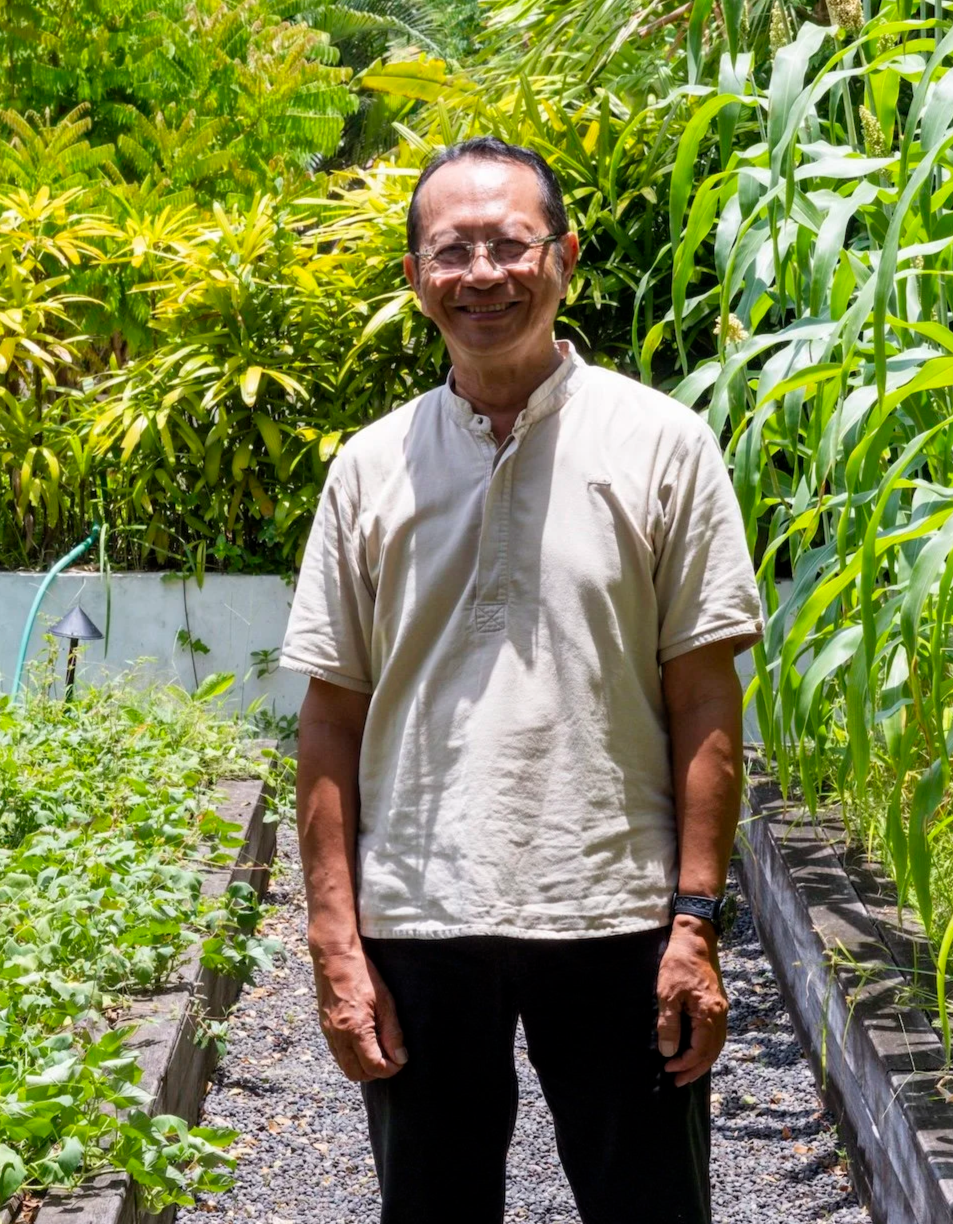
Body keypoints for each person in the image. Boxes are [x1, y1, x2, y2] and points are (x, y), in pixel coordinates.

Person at [280, 136, 764, 1224]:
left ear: (565, 258)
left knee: (650, 1207)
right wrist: (332, 943)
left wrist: (694, 921)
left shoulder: (663, 445)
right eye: (452, 251)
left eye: (510, 244)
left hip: (616, 909)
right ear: (415, 277)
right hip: (419, 916)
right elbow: (329, 717)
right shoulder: (370, 466)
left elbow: (703, 700)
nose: (482, 274)